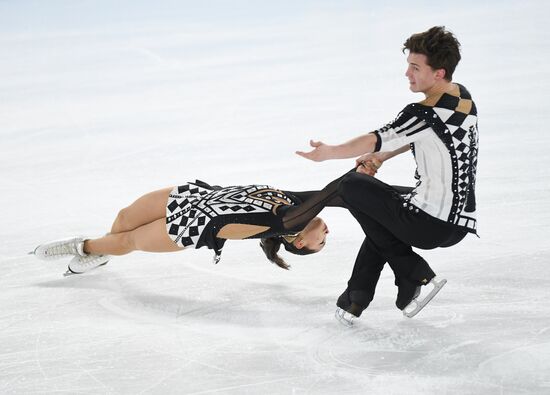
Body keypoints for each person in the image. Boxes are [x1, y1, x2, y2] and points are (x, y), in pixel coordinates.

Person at [297, 26, 479, 321]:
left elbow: (375, 138)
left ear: (439, 73)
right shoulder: (462, 98)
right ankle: (356, 297)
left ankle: (412, 271)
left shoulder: (422, 113)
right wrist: (381, 157)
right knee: (379, 215)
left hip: (430, 223)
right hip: (458, 222)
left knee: (352, 186)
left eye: (415, 67)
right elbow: (419, 137)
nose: (407, 73)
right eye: (408, 65)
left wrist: (329, 152)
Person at [32, 176, 341, 275]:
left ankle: (84, 247)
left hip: (194, 226)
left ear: (298, 243)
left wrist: (356, 177)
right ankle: (103, 250)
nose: (326, 234)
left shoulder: (286, 223)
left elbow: (337, 191)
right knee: (125, 218)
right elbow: (336, 192)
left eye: (321, 242)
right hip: (195, 196)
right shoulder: (298, 204)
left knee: (129, 241)